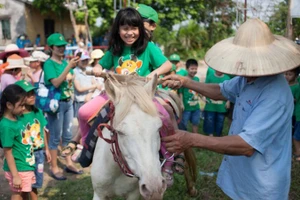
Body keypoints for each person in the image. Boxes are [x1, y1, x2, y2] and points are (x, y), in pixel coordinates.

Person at [161, 18, 299, 199]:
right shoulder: (248, 77)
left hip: (263, 185)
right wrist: (186, 82)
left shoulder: (275, 95)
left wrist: (191, 139)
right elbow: (221, 90)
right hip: (244, 174)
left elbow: (246, 145)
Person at [43, 33, 82, 181]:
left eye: (63, 46)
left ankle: (69, 163)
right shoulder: (49, 64)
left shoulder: (65, 62)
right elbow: (56, 83)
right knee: (54, 137)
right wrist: (69, 67)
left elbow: (70, 79)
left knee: (67, 135)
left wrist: (71, 69)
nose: (62, 49)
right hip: (56, 105)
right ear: (51, 48)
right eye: (58, 46)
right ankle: (54, 167)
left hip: (68, 102)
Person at [15, 80, 51, 200]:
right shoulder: (16, 117)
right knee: (25, 185)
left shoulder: (38, 112)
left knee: (35, 183)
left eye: (33, 93)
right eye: (28, 94)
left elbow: (43, 131)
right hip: (24, 155)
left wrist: (47, 149)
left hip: (39, 153)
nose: (33, 96)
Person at [0, 85, 35, 200]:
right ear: (9, 105)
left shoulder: (17, 118)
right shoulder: (6, 126)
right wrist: (15, 176)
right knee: (18, 194)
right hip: (18, 169)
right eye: (21, 105)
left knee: (24, 193)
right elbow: (8, 152)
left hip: (25, 165)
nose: (24, 108)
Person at [203, 69, 231, 137]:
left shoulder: (227, 78)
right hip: (210, 104)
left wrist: (228, 101)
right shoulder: (210, 77)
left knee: (220, 120)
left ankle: (218, 133)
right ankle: (210, 133)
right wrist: (204, 97)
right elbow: (205, 88)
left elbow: (230, 91)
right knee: (209, 119)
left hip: (222, 105)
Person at [178, 59, 201, 133]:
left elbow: (199, 91)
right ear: (187, 69)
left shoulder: (197, 79)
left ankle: (195, 137)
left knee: (195, 123)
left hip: (196, 107)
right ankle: (184, 137)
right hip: (186, 107)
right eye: (192, 69)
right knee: (184, 123)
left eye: (196, 69)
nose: (194, 71)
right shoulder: (183, 80)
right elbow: (180, 92)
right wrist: (181, 103)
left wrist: (203, 98)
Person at [285, 68, 300, 161]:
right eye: (285, 73)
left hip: (297, 114)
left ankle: (298, 153)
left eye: (290, 74)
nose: (286, 76)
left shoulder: (297, 86)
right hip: (292, 113)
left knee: (296, 137)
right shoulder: (284, 85)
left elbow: (296, 99)